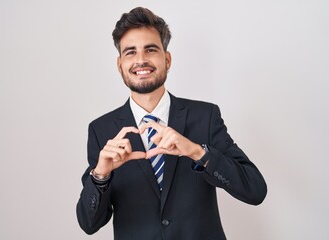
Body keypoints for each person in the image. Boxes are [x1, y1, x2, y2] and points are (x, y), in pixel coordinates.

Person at [76, 7, 267, 240]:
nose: (141, 60)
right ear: (120, 65)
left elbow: (255, 190)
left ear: (167, 59)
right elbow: (89, 224)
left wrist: (198, 152)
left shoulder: (205, 117)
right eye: (130, 52)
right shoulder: (101, 130)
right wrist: (101, 175)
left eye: (150, 49)